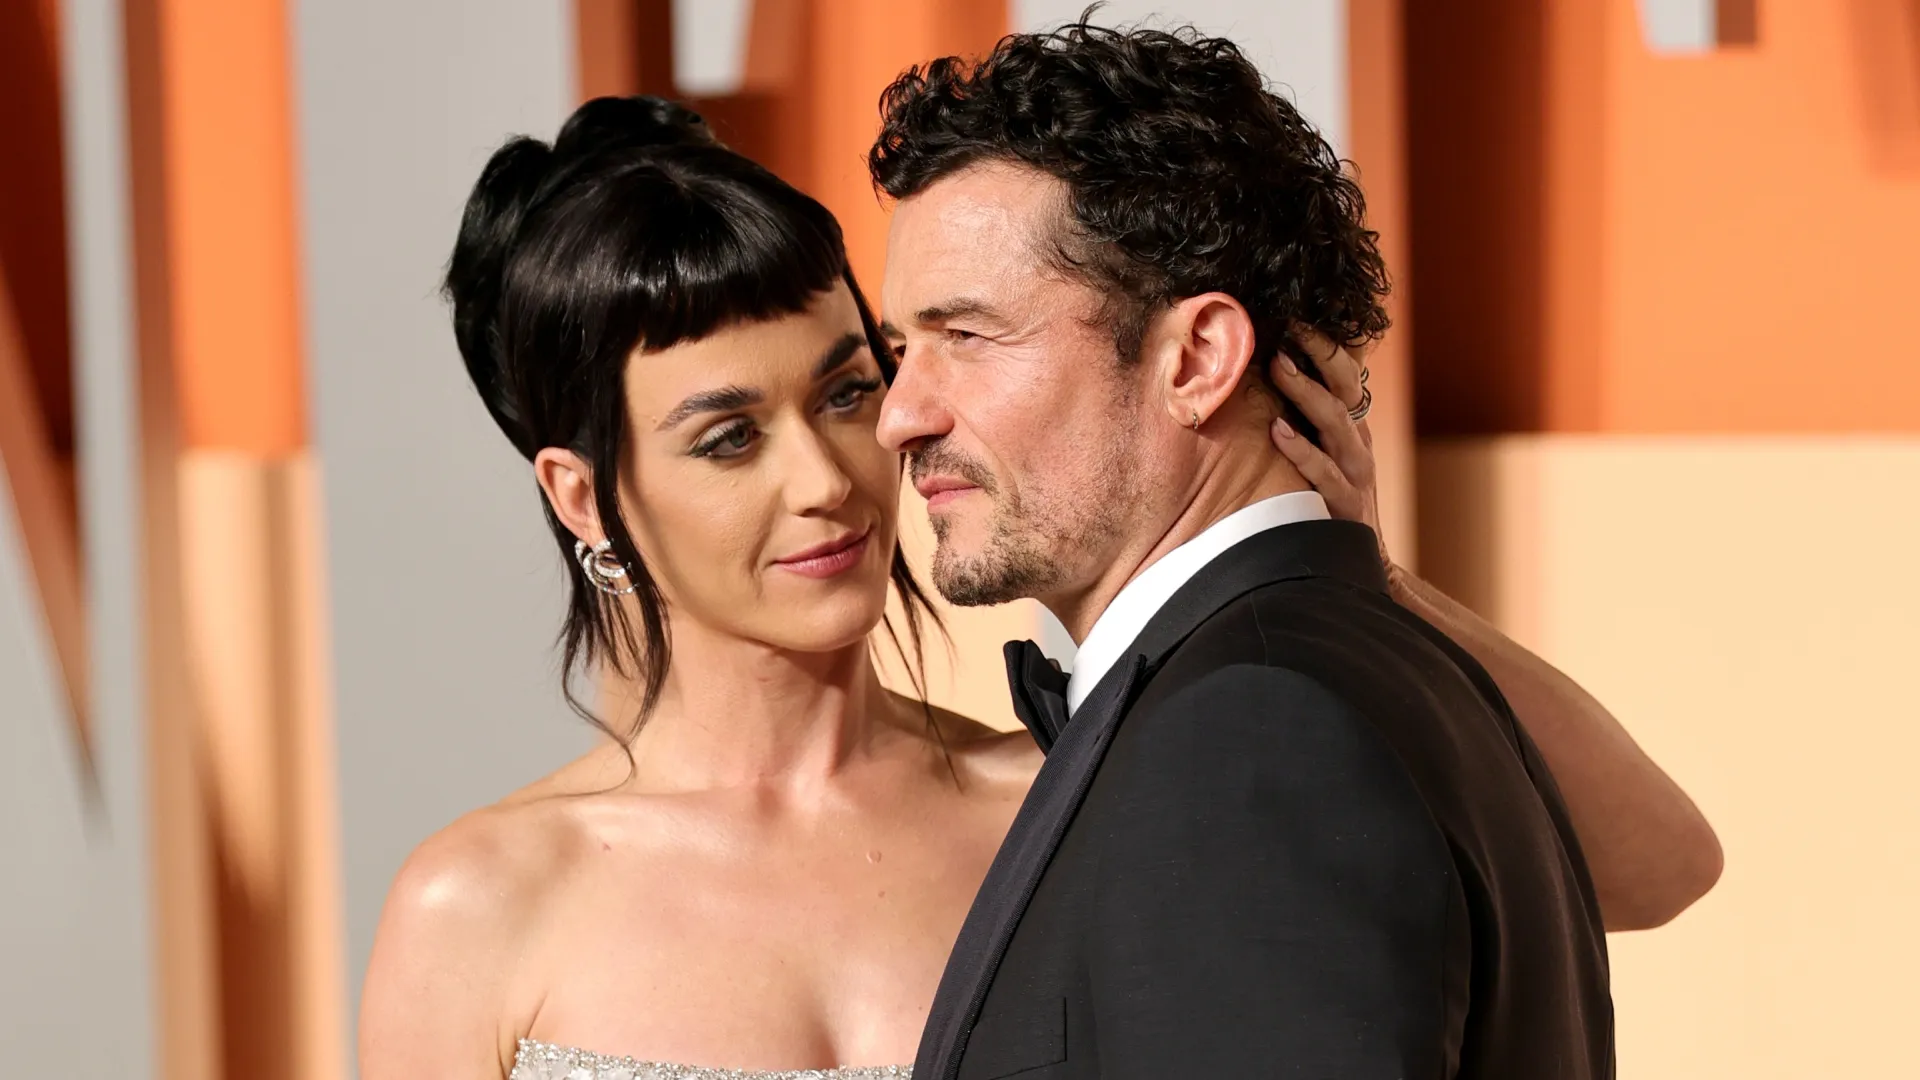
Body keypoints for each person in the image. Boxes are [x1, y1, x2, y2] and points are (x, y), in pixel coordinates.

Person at [358, 92, 1714, 1078]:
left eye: (848, 389)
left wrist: (1341, 560)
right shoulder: (479, 907)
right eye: (728, 438)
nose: (834, 475)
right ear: (583, 495)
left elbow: (1654, 864)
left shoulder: (1084, 790)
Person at [870, 21, 1665, 1080]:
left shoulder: (1252, 738)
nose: (900, 416)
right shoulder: (1366, 683)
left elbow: (1671, 864)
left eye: (965, 336)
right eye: (898, 352)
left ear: (1196, 358)